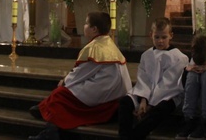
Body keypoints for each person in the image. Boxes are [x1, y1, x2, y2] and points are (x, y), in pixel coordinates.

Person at [28, 12, 132, 140]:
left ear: (94, 29)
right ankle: (43, 108)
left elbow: (80, 74)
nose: (84, 26)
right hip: (113, 92)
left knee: (60, 95)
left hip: (102, 92)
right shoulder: (109, 43)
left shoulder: (95, 47)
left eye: (86, 23)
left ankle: (49, 134)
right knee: (63, 93)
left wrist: (65, 80)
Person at [118, 17, 189, 140]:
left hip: (168, 96)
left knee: (160, 110)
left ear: (171, 36)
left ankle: (135, 136)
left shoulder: (179, 57)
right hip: (145, 94)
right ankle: (124, 136)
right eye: (157, 37)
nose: (160, 41)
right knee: (125, 103)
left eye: (164, 37)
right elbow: (143, 79)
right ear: (151, 35)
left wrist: (150, 104)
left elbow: (168, 84)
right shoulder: (146, 55)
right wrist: (143, 100)